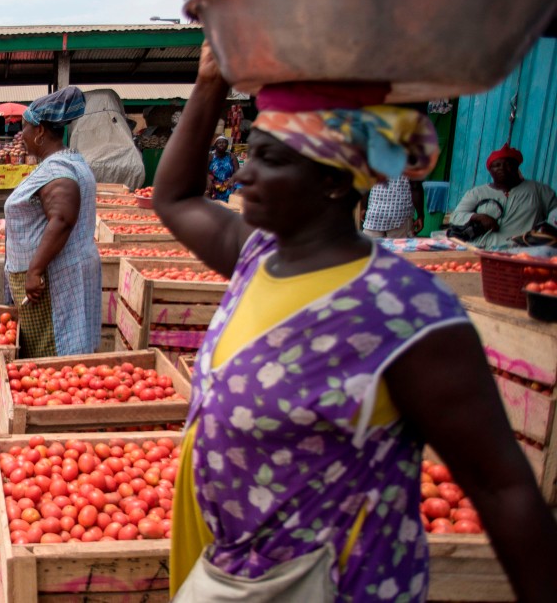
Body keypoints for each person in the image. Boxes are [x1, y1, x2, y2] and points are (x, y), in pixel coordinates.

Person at [155, 44, 557, 601]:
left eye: (271, 159)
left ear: (335, 183)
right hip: (231, 568)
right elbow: (175, 198)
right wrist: (208, 84)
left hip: (331, 582)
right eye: (251, 152)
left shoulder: (403, 311)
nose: (244, 174)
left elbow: (503, 487)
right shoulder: (257, 258)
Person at [0, 86, 100, 357]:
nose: (21, 135)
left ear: (40, 131)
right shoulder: (69, 161)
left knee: (52, 352)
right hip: (71, 269)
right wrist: (10, 223)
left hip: (53, 281)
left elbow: (62, 218)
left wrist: (35, 270)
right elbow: (48, 211)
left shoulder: (58, 169)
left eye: (25, 127)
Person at [450, 144, 557, 249]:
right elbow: (456, 216)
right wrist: (479, 217)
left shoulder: (539, 190)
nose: (502, 168)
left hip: (523, 251)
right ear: (490, 170)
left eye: (508, 164)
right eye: (496, 165)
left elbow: (554, 216)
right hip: (482, 249)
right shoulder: (477, 193)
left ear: (516, 167)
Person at [207, 135, 240, 202]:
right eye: (219, 143)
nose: (222, 144)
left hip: (229, 183)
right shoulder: (210, 156)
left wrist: (233, 179)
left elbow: (237, 172)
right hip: (214, 185)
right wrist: (208, 180)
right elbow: (203, 171)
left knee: (240, 187)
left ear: (227, 145)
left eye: (224, 143)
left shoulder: (231, 156)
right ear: (215, 145)